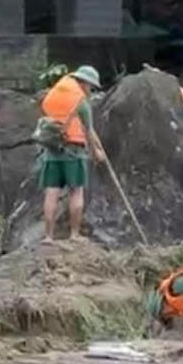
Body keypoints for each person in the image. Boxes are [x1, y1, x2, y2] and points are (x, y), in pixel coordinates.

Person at [38, 66, 107, 243]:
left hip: (52, 150)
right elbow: (89, 130)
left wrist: (99, 147)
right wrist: (96, 152)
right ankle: (74, 235)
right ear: (83, 83)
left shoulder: (54, 94)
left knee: (51, 192)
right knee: (76, 191)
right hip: (74, 151)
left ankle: (48, 236)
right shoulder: (80, 101)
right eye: (90, 86)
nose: (90, 90)